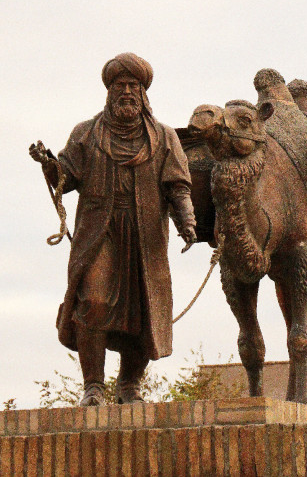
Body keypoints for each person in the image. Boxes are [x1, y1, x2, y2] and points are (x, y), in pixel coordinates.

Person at [29, 53, 196, 406]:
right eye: (119, 86)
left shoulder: (164, 136)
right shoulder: (86, 133)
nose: (126, 92)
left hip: (144, 233)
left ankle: (130, 385)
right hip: (99, 231)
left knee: (144, 307)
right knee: (94, 301)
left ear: (143, 92)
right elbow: (67, 177)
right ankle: (93, 386)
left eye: (132, 86)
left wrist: (187, 221)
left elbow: (178, 185)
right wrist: (48, 164)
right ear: (109, 91)